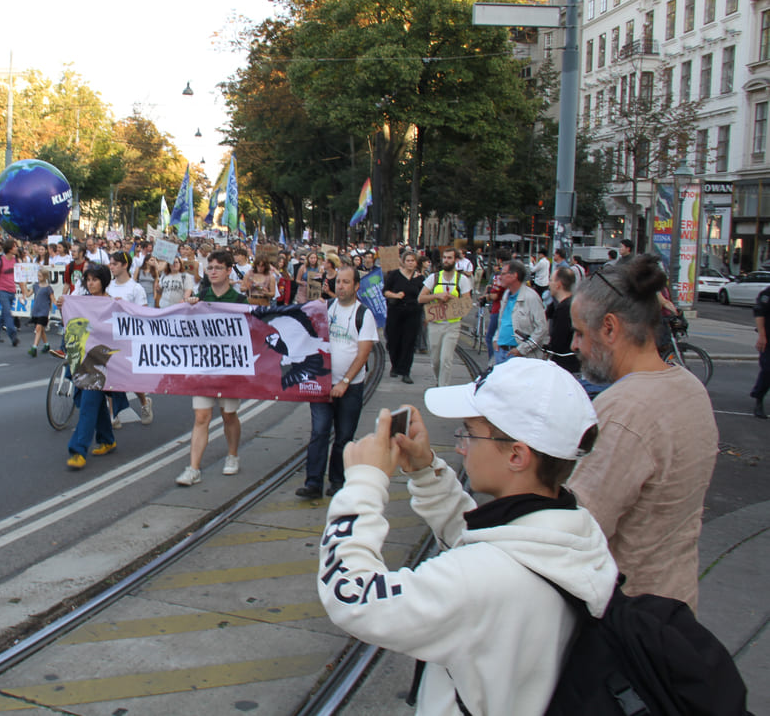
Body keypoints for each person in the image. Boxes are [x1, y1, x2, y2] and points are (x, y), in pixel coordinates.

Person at [318, 358, 615, 715]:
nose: (461, 446)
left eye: (469, 432)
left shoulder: (486, 580)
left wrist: (365, 482)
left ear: (517, 455)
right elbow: (493, 544)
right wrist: (427, 473)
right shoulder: (575, 533)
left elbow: (353, 597)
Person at [567, 254, 718, 609]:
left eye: (579, 332)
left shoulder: (624, 410)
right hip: (673, 607)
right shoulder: (690, 388)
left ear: (609, 327)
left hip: (628, 618)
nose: (575, 346)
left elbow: (578, 531)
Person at [295, 265, 377, 498]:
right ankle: (313, 483)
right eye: (338, 282)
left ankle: (338, 480)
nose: (340, 286)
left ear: (356, 286)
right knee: (319, 432)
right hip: (323, 384)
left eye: (346, 282)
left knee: (344, 436)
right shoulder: (325, 309)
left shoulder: (364, 314)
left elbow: (363, 354)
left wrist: (345, 382)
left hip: (350, 387)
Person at [177, 250, 248, 486]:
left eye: (218, 267)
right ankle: (193, 467)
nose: (213, 272)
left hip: (228, 367)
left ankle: (232, 455)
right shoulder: (201, 296)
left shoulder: (239, 301)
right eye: (210, 268)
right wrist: (188, 306)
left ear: (229, 270)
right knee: (201, 416)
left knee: (228, 414)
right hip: (204, 365)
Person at [62, 264, 121, 469]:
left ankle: (78, 450)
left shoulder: (113, 303)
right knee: (91, 402)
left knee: (88, 403)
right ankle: (107, 439)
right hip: (82, 361)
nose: (90, 283)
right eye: (88, 280)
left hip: (102, 365)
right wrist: (63, 304)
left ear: (103, 281)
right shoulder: (81, 302)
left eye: (95, 279)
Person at [106, 250, 153, 425]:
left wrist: (124, 306)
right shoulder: (108, 286)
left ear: (125, 265)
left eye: (115, 264)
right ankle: (114, 414)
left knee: (131, 379)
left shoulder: (135, 288)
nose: (111, 267)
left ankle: (144, 402)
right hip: (110, 336)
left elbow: (144, 314)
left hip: (129, 338)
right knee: (110, 377)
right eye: (110, 263)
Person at [417, 248, 471, 387]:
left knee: (446, 358)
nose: (446, 260)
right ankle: (438, 380)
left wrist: (451, 298)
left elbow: (467, 303)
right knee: (435, 359)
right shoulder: (434, 278)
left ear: (456, 260)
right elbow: (421, 298)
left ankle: (443, 388)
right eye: (445, 258)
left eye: (449, 258)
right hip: (435, 323)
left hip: (452, 324)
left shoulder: (462, 280)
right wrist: (436, 296)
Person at [492, 259, 547, 364]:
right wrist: (496, 339)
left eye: (503, 274)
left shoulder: (531, 297)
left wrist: (522, 349)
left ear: (514, 276)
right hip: (501, 351)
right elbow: (502, 321)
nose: (500, 277)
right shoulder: (506, 295)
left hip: (518, 354)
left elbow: (542, 328)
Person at [382, 250, 422, 384]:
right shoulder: (394, 275)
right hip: (396, 311)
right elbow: (385, 291)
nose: (410, 263)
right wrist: (396, 295)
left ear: (416, 263)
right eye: (408, 261)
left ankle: (406, 371)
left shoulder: (420, 278)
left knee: (409, 342)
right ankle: (395, 365)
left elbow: (423, 296)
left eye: (413, 261)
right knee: (394, 340)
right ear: (403, 262)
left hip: (413, 313)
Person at [546, 267, 581, 374]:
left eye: (551, 280)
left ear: (558, 284)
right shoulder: (574, 303)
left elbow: (558, 342)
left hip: (564, 365)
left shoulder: (564, 309)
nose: (548, 284)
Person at [24, 267, 54, 356]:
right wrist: (24, 285)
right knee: (41, 330)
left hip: (44, 312)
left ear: (45, 277)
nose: (38, 278)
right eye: (38, 276)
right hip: (36, 311)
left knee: (38, 328)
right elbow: (28, 294)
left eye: (40, 276)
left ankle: (34, 348)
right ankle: (46, 345)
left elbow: (53, 299)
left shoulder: (48, 288)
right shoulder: (36, 286)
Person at [754, 284, 770, 419]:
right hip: (768, 338)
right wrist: (762, 335)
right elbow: (759, 312)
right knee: (767, 370)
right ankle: (759, 397)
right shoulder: (767, 293)